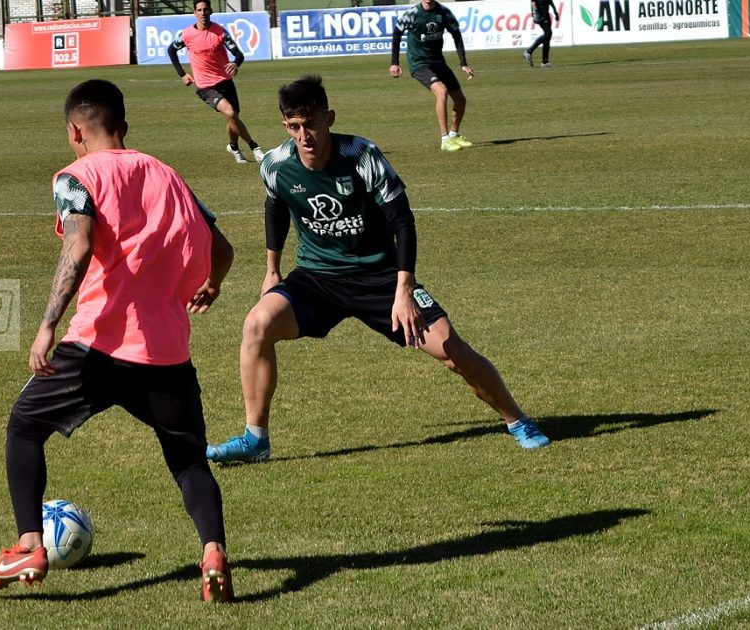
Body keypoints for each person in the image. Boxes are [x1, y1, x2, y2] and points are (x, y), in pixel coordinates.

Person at [0, 79, 236, 603]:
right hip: (166, 351)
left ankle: (29, 546)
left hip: (97, 346)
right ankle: (214, 553)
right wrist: (214, 283)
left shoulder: (76, 176)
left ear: (75, 131)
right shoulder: (167, 175)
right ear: (124, 127)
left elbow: (79, 244)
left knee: (24, 426)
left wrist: (48, 324)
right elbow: (222, 248)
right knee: (188, 460)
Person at [206, 74, 550, 465]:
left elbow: (402, 221)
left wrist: (404, 290)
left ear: (329, 118)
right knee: (256, 325)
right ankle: (255, 439)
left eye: (311, 124)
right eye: (294, 126)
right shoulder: (275, 164)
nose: (304, 135)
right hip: (317, 278)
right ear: (286, 126)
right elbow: (275, 206)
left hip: (381, 279)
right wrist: (272, 269)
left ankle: (518, 420)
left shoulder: (362, 155)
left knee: (451, 350)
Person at [168, 0, 265, 165]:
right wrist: (182, 74)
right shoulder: (186, 35)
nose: (203, 13)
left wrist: (235, 64)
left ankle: (233, 147)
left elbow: (239, 54)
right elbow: (171, 50)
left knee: (232, 117)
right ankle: (255, 147)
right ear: (194, 13)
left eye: (205, 10)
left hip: (225, 82)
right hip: (206, 86)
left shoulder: (220, 32)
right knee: (231, 113)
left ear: (210, 11)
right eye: (199, 10)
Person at [389, 0, 474, 153]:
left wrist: (463, 63)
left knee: (460, 100)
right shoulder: (412, 14)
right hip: (419, 63)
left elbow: (456, 34)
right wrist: (394, 63)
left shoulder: (444, 12)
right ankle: (445, 140)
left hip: (438, 62)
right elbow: (397, 33)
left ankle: (454, 134)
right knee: (442, 91)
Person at [523, 0, 559, 68]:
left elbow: (550, 1)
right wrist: (536, 13)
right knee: (548, 34)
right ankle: (529, 51)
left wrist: (555, 12)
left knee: (547, 37)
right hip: (541, 15)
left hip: (546, 15)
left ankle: (545, 62)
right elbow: (533, 1)